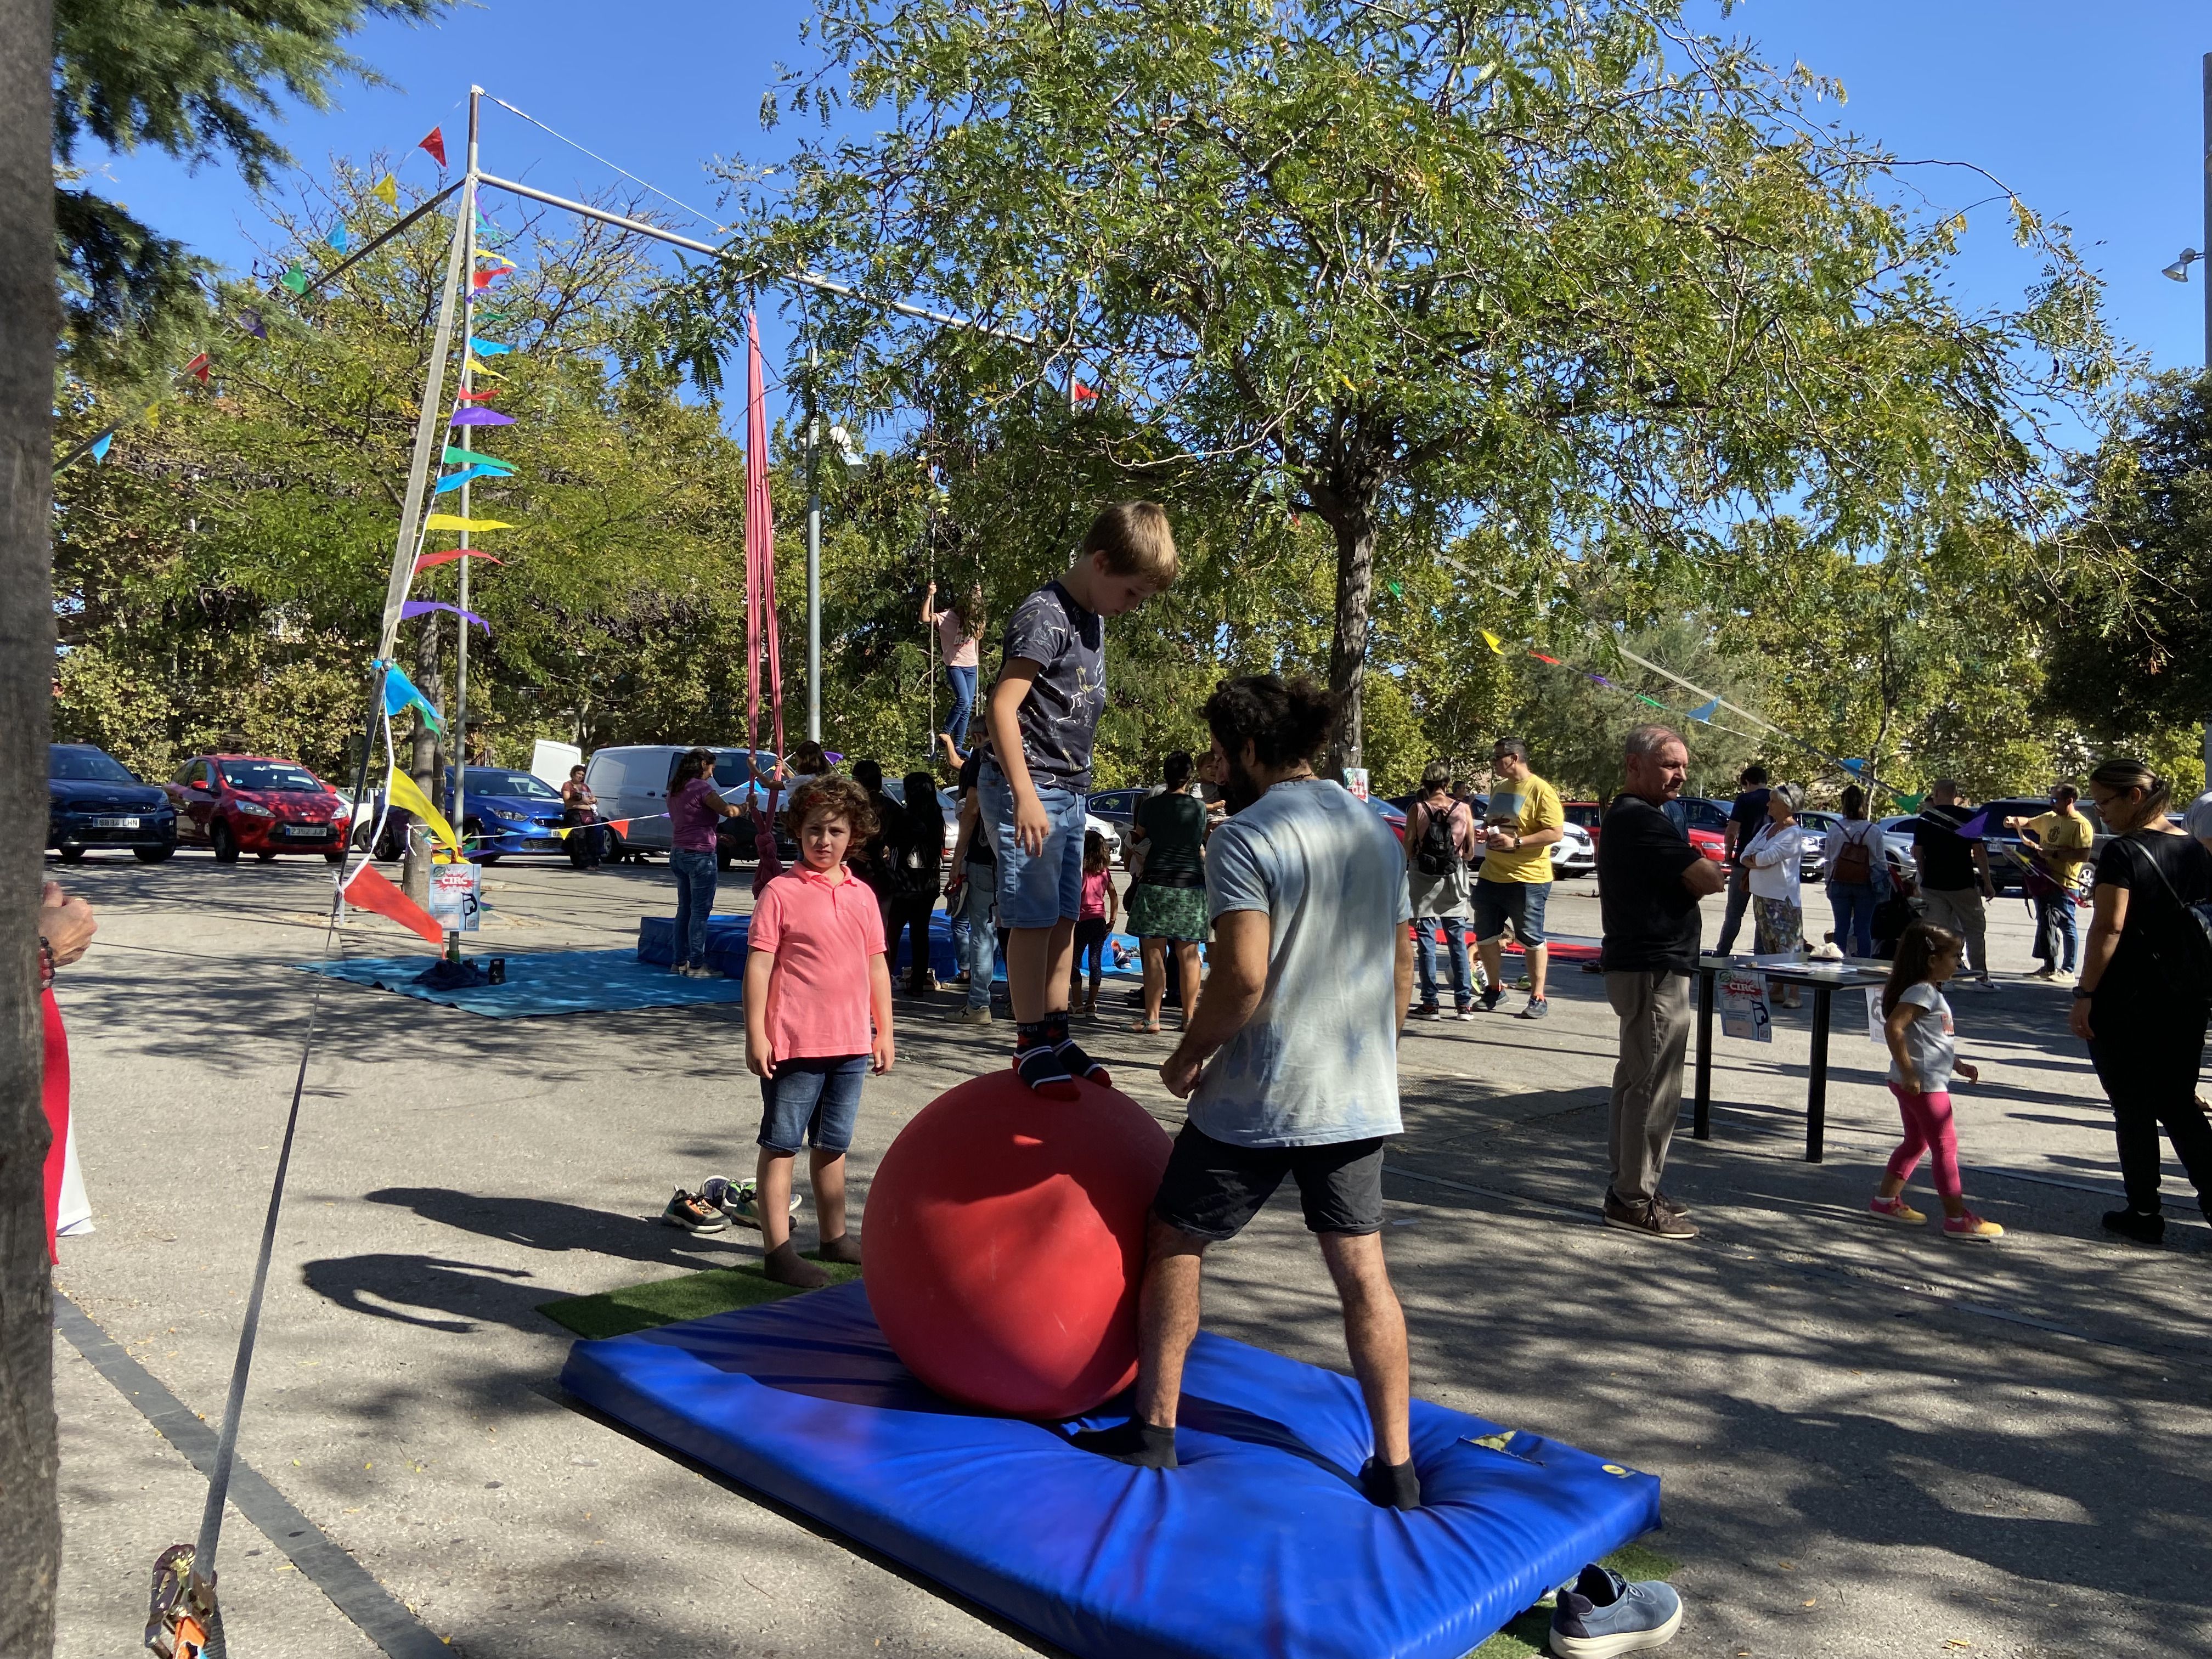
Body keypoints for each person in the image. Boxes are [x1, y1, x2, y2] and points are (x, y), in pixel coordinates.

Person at [1070, 675, 1422, 1511]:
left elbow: (1243, 978)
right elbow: (1403, 965)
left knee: (1177, 1239)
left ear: (1255, 751)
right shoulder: (1375, 832)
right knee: (1364, 1275)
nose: (1218, 768)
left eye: (1226, 753)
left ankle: (1155, 1431)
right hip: (1354, 1093)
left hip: (1260, 1097)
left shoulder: (1245, 838)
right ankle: (1397, 1468)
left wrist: (1190, 1053)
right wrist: (1376, 1052)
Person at [980, 501, 1178, 1096]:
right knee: (1033, 919)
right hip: (1030, 788)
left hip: (1069, 790)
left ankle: (1057, 1031)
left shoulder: (1093, 618)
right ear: (1099, 562)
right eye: (1133, 593)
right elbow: (1001, 707)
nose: (1132, 606)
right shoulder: (1046, 616)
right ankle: (1028, 1040)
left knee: (1069, 914)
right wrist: (1024, 797)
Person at [741, 775, 894, 1287]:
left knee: (833, 1144)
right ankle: (778, 1250)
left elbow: (876, 967)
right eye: (813, 830)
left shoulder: (863, 896)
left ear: (855, 835)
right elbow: (759, 966)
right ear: (797, 832)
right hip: (795, 1044)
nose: (823, 841)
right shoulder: (781, 893)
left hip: (850, 1043)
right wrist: (756, 1035)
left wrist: (884, 1031)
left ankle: (835, 1236)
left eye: (834, 830)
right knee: (782, 1144)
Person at [2070, 758, 2212, 1244]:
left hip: (2128, 995)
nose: (2100, 813)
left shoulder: (2123, 853)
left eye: (2105, 802)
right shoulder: (2195, 849)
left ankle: (2145, 1211)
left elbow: (2108, 927)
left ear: (2134, 796)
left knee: (2131, 1104)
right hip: (2189, 992)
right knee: (2178, 1102)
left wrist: (2085, 992)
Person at [1598, 725, 1727, 1241]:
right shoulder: (1638, 820)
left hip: (1647, 965)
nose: (1680, 775)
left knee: (1636, 1081)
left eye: (1684, 767)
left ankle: (1632, 1186)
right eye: (1670, 764)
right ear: (1635, 765)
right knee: (1653, 1086)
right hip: (1652, 968)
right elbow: (1710, 878)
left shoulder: (1641, 819)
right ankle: (1633, 1198)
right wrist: (1697, 872)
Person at [1872, 921, 2002, 1239]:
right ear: (1932, 960)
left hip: (1921, 1079)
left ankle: (1885, 1201)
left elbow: (1932, 1039)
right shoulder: (1922, 991)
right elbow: (1894, 1028)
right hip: (1924, 1085)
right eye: (1955, 956)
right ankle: (1957, 1219)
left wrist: (1957, 1063)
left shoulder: (1927, 991)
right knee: (1946, 1147)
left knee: (1917, 1142)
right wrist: (1909, 1072)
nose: (1959, 962)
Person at [1473, 738, 1564, 1019]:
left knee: (1530, 938)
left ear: (1513, 759)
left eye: (1497, 758)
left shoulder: (1541, 791)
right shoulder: (1500, 788)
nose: (1494, 763)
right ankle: (1494, 990)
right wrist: (1485, 832)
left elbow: (1555, 832)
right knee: (1485, 936)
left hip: (1528, 878)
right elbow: (1496, 823)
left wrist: (1518, 843)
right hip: (1491, 875)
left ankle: (1538, 996)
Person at [1126, 749, 1209, 1033]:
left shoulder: (1150, 806)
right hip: (1190, 884)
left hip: (1156, 883)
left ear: (1165, 775)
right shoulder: (1199, 809)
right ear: (1189, 777)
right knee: (1189, 954)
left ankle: (1153, 1018)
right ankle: (1188, 1018)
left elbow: (1137, 838)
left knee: (1153, 954)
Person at [1404, 761, 1479, 1019]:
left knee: (1426, 941)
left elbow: (1408, 845)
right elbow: (1470, 852)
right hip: (1454, 876)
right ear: (1447, 784)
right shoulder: (1464, 810)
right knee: (1457, 941)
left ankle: (1430, 1004)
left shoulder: (1418, 809)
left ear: (1424, 785)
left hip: (1423, 877)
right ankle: (1463, 1005)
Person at [666, 747, 744, 977]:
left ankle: (678, 962)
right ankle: (697, 965)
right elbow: (728, 811)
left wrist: (715, 835)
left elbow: (689, 822)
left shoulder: (675, 789)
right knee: (700, 912)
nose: (712, 774)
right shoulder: (702, 788)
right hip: (699, 855)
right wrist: (747, 806)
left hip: (679, 851)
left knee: (685, 910)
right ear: (703, 765)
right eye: (712, 768)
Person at [1912, 780, 1996, 988]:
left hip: (1934, 884)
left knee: (1938, 933)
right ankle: (1981, 977)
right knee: (1975, 930)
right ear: (1955, 794)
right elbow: (1979, 852)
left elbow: (1918, 854)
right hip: (1962, 882)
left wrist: (1924, 875)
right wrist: (1987, 882)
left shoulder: (1926, 818)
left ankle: (1941, 977)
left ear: (1937, 793)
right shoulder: (1968, 817)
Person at [2011, 785, 2092, 982]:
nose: (2051, 804)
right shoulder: (2049, 818)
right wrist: (2013, 821)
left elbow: (2083, 854)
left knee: (2067, 925)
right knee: (2046, 924)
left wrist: (2053, 853)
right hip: (2043, 881)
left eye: (2055, 800)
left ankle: (2068, 969)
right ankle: (2049, 966)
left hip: (2064, 883)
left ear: (2070, 801)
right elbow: (2029, 823)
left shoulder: (2080, 824)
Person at [945, 744, 1000, 1026]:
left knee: (982, 931)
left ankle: (979, 1002)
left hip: (984, 856)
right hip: (1023, 856)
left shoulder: (985, 756)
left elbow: (972, 808)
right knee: (1021, 931)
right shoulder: (1034, 747)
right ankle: (1023, 1002)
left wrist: (959, 859)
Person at [1741, 782, 1807, 1006]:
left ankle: (1795, 993)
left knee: (1788, 945)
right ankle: (1777, 987)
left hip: (1782, 898)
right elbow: (1745, 854)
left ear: (1787, 807)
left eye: (1773, 801)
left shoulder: (1793, 833)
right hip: (1761, 894)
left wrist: (1755, 861)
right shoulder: (1766, 828)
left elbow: (1765, 858)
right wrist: (1754, 861)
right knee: (1769, 943)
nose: (1768, 805)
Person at [888, 769, 945, 996]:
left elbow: (894, 844)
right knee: (920, 934)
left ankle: (884, 979)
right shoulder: (937, 815)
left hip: (904, 883)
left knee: (892, 933)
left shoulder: (906, 816)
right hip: (928, 883)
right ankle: (918, 983)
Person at [1709, 764, 1770, 957]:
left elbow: (1732, 831)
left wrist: (1728, 854)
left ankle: (1723, 952)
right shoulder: (1777, 799)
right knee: (1763, 915)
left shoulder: (1745, 799)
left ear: (1748, 782)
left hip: (1744, 863)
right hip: (1768, 865)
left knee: (1735, 913)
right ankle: (1760, 955)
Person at [924, 581, 986, 765]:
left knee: (968, 706)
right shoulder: (948, 617)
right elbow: (925, 618)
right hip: (955, 665)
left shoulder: (976, 619)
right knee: (964, 700)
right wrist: (929, 595)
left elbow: (978, 622)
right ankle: (946, 731)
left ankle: (958, 745)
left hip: (971, 665)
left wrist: (978, 595)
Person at [1822, 785, 1884, 958]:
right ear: (1862, 804)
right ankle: (1864, 965)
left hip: (1839, 882)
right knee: (1863, 928)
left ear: (1843, 804)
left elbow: (1828, 860)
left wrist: (1828, 883)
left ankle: (1839, 963)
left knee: (1840, 927)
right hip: (1866, 883)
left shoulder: (1834, 829)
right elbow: (1880, 862)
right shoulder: (1873, 830)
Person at [1070, 830, 1118, 1017]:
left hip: (1081, 920)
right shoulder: (1104, 872)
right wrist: (1112, 920)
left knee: (1073, 961)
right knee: (1095, 961)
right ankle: (1091, 1003)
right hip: (1099, 921)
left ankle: (1076, 1003)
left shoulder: (1079, 872)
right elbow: (1114, 897)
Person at [560, 764, 602, 869]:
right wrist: (581, 800)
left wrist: (595, 800)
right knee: (580, 838)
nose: (581, 777)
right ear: (573, 774)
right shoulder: (568, 785)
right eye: (579, 774)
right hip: (575, 815)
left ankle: (593, 862)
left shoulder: (585, 786)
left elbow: (593, 797)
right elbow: (567, 802)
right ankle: (582, 862)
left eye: (583, 775)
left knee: (591, 838)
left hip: (589, 815)